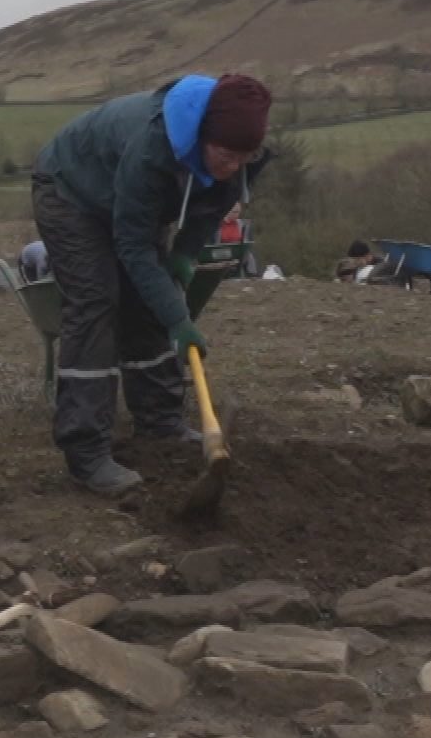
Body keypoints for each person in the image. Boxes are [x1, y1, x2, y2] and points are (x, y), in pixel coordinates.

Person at [31, 73, 273, 496]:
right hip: (70, 191)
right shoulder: (153, 148)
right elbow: (133, 246)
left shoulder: (231, 152)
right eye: (226, 155)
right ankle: (86, 452)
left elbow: (212, 203)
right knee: (97, 302)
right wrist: (180, 321)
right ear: (203, 137)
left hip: (126, 199)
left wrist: (184, 252)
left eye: (244, 157)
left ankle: (160, 422)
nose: (234, 166)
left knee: (147, 303)